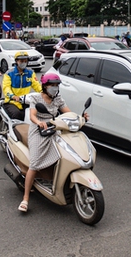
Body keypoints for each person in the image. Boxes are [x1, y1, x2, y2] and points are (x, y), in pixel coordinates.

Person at [18, 73, 87, 213]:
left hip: (54, 128)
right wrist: (39, 122)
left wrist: (80, 117)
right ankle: (25, 198)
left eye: (56, 85)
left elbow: (68, 113)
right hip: (38, 131)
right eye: (52, 85)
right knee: (35, 163)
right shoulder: (36, 98)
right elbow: (32, 115)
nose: (54, 88)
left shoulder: (58, 99)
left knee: (65, 153)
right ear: (44, 86)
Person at [2, 51, 42, 121]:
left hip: (26, 101)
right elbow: (6, 87)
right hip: (12, 101)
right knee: (17, 114)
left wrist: (43, 93)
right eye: (21, 61)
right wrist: (13, 96)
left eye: (25, 61)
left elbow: (36, 85)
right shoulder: (9, 73)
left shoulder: (30, 73)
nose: (23, 63)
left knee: (35, 114)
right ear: (16, 61)